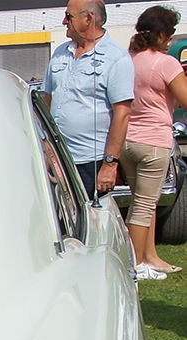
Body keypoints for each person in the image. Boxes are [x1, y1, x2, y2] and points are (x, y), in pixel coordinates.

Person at [42, 0, 133, 197]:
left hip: (91, 163)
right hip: (57, 159)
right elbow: (46, 103)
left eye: (69, 16)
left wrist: (109, 164)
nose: (64, 21)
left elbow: (122, 114)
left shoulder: (116, 59)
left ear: (88, 18)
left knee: (90, 223)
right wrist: (46, 149)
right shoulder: (60, 53)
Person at [122, 4, 187, 277]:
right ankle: (135, 265)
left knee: (143, 200)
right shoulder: (166, 63)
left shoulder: (129, 59)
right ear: (161, 34)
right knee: (145, 205)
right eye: (170, 32)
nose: (171, 38)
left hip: (127, 140)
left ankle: (150, 256)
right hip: (153, 140)